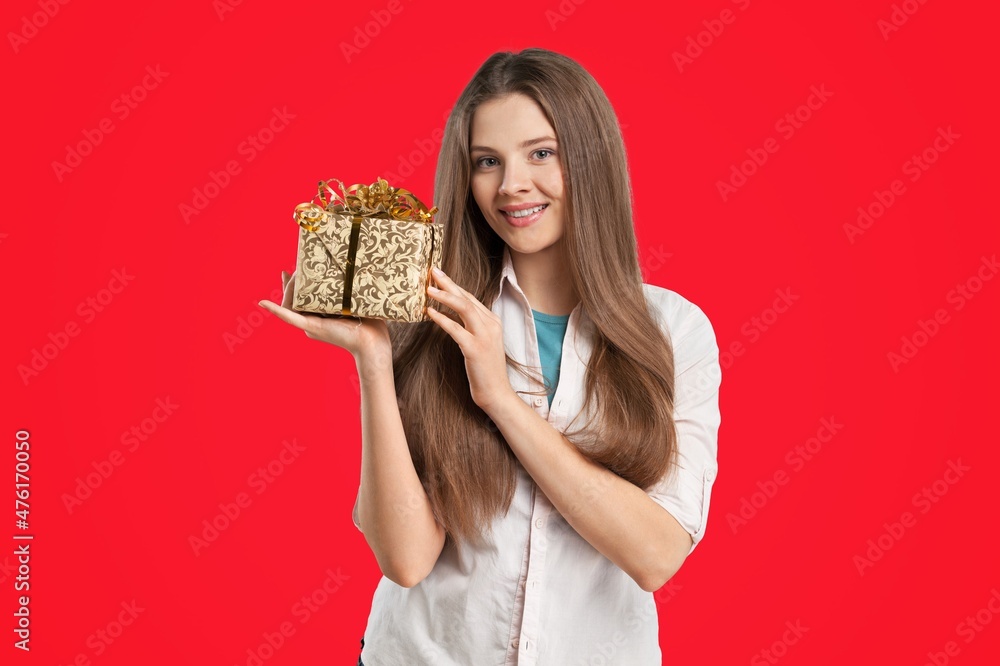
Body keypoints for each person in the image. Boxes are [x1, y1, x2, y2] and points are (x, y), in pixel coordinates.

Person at [259, 47, 721, 666]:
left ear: (591, 156)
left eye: (541, 153)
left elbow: (656, 555)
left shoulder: (673, 332)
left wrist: (500, 398)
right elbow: (406, 559)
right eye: (487, 162)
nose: (511, 186)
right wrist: (374, 356)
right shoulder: (424, 321)